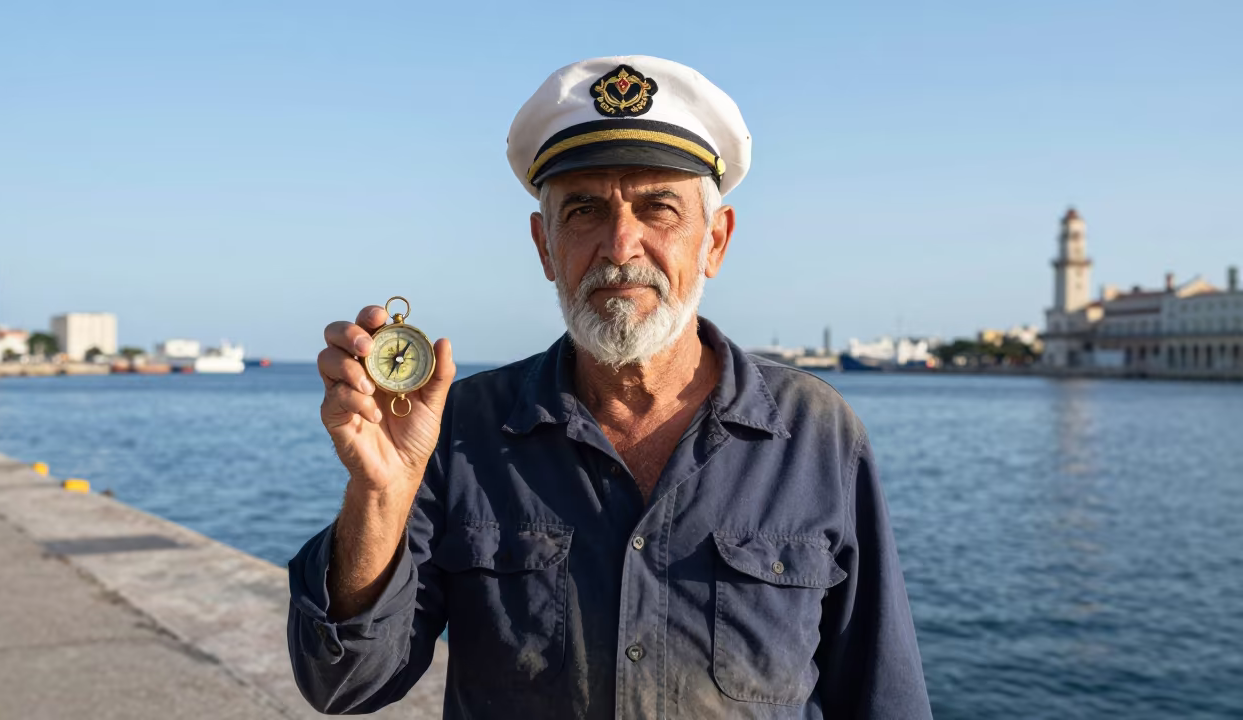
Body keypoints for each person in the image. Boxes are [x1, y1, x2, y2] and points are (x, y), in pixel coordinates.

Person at [289, 55, 931, 719]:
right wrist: (379, 495)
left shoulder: (816, 433)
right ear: (545, 246)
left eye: (657, 208)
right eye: (586, 211)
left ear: (715, 241)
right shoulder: (463, 432)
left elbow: (884, 696)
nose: (621, 246)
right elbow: (344, 682)